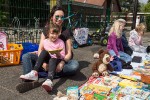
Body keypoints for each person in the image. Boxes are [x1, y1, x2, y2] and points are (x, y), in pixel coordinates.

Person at [21, 5, 79, 79]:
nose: (60, 19)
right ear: (52, 17)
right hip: (46, 58)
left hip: (59, 60)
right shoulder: (46, 29)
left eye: (62, 17)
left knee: (74, 65)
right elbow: (40, 50)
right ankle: (32, 77)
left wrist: (62, 63)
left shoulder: (66, 31)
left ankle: (47, 73)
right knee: (26, 56)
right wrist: (44, 64)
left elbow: (69, 53)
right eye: (57, 16)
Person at [20, 22, 66, 92]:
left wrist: (58, 53)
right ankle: (34, 72)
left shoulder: (61, 42)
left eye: (56, 34)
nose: (54, 35)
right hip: (47, 60)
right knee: (43, 52)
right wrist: (34, 52)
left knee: (53, 58)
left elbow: (62, 56)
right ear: (48, 33)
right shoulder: (45, 41)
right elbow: (41, 52)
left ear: (58, 34)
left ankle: (49, 80)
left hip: (55, 61)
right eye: (52, 33)